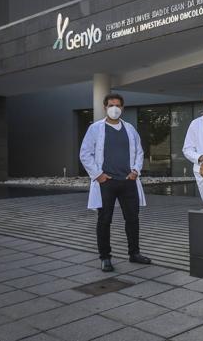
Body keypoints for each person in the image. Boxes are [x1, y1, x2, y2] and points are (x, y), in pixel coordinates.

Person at [79, 93, 151, 272]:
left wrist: (135, 170)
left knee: (133, 219)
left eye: (118, 105)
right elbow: (85, 153)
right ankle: (105, 257)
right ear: (105, 107)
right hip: (106, 183)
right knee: (104, 220)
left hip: (128, 182)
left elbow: (140, 152)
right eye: (111, 105)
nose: (115, 109)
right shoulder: (95, 129)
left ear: (123, 108)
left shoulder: (130, 129)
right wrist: (98, 175)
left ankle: (134, 253)